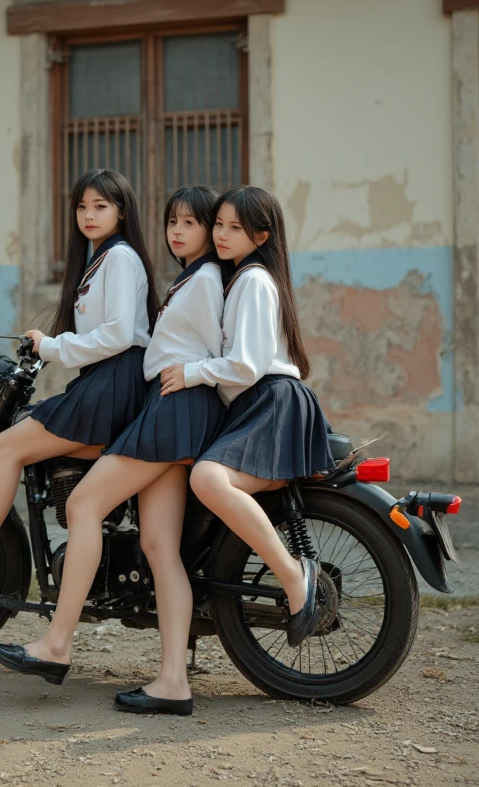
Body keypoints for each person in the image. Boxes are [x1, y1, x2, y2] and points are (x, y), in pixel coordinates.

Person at [0, 186, 225, 715]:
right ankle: (172, 683)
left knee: (84, 506)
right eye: (172, 221)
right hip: (170, 410)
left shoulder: (205, 281)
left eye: (191, 222)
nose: (177, 231)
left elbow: (224, 354)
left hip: (173, 413)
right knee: (161, 549)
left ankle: (56, 645)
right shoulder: (192, 277)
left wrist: (202, 393)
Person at [0, 169, 158, 610]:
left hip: (115, 382)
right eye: (82, 206)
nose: (89, 215)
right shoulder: (101, 259)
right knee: (19, 449)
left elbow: (116, 336)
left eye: (101, 206)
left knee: (6, 448)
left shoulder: (120, 257)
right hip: (104, 381)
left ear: (121, 211)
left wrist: (52, 345)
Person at [177, 185, 334, 649]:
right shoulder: (238, 279)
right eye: (219, 225)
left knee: (207, 479)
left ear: (262, 235)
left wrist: (189, 372)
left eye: (235, 228)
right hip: (257, 402)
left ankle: (293, 577)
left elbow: (246, 363)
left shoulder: (253, 281)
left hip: (270, 400)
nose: (222, 235)